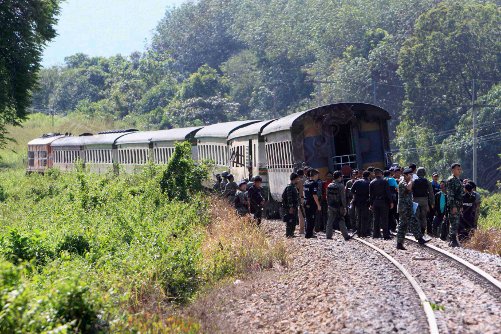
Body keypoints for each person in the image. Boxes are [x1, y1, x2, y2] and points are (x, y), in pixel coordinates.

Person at [396, 168, 429, 250]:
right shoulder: (402, 182)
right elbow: (408, 188)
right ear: (405, 175)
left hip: (408, 207)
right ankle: (419, 239)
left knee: (404, 225)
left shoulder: (406, 182)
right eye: (410, 175)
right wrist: (411, 180)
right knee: (409, 223)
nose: (411, 176)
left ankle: (400, 243)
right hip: (404, 208)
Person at [326, 171, 351, 241]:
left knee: (330, 220)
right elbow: (343, 198)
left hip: (331, 205)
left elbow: (327, 196)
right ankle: (346, 236)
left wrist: (329, 204)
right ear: (339, 177)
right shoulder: (341, 186)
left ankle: (328, 235)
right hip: (339, 206)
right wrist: (344, 207)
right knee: (341, 220)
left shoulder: (329, 185)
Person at [369, 168, 393, 239]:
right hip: (383, 202)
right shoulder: (384, 181)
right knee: (384, 219)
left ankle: (376, 234)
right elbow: (388, 193)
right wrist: (391, 202)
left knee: (376, 219)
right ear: (380, 174)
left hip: (375, 202)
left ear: (375, 174)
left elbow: (371, 195)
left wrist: (371, 204)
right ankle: (386, 235)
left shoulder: (372, 182)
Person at [412, 167, 434, 235]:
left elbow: (411, 191)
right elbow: (431, 192)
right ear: (424, 173)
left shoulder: (414, 181)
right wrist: (432, 202)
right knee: (424, 217)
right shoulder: (427, 181)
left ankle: (418, 232)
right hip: (424, 200)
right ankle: (422, 231)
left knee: (417, 217)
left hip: (415, 200)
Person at [447, 163, 464, 247]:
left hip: (458, 204)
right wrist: (453, 206)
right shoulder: (451, 180)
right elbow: (450, 194)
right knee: (453, 222)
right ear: (453, 170)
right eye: (458, 169)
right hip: (453, 204)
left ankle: (453, 240)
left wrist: (460, 206)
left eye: (460, 169)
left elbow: (460, 195)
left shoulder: (458, 180)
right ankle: (452, 240)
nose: (459, 171)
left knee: (456, 222)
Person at [351, 171, 371, 237]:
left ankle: (359, 232)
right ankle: (364, 232)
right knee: (365, 217)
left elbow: (352, 190)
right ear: (368, 176)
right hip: (365, 201)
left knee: (358, 217)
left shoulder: (357, 181)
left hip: (357, 201)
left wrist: (356, 195)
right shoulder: (369, 183)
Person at [303, 169, 322, 238]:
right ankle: (309, 234)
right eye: (317, 175)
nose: (318, 176)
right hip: (311, 203)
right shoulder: (314, 183)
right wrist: (318, 205)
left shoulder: (306, 182)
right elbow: (314, 195)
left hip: (306, 202)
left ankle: (307, 233)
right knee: (311, 219)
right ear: (314, 175)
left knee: (307, 218)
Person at [283, 173, 301, 238]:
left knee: (293, 220)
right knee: (290, 220)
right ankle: (288, 234)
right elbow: (289, 197)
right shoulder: (290, 187)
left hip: (294, 206)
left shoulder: (293, 187)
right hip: (291, 207)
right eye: (297, 179)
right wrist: (290, 207)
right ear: (294, 179)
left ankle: (291, 233)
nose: (298, 180)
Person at [296, 169, 306, 235]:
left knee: (301, 215)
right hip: (308, 199)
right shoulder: (307, 180)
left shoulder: (298, 181)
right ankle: (310, 229)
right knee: (308, 214)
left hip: (301, 199)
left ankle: (301, 230)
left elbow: (296, 191)